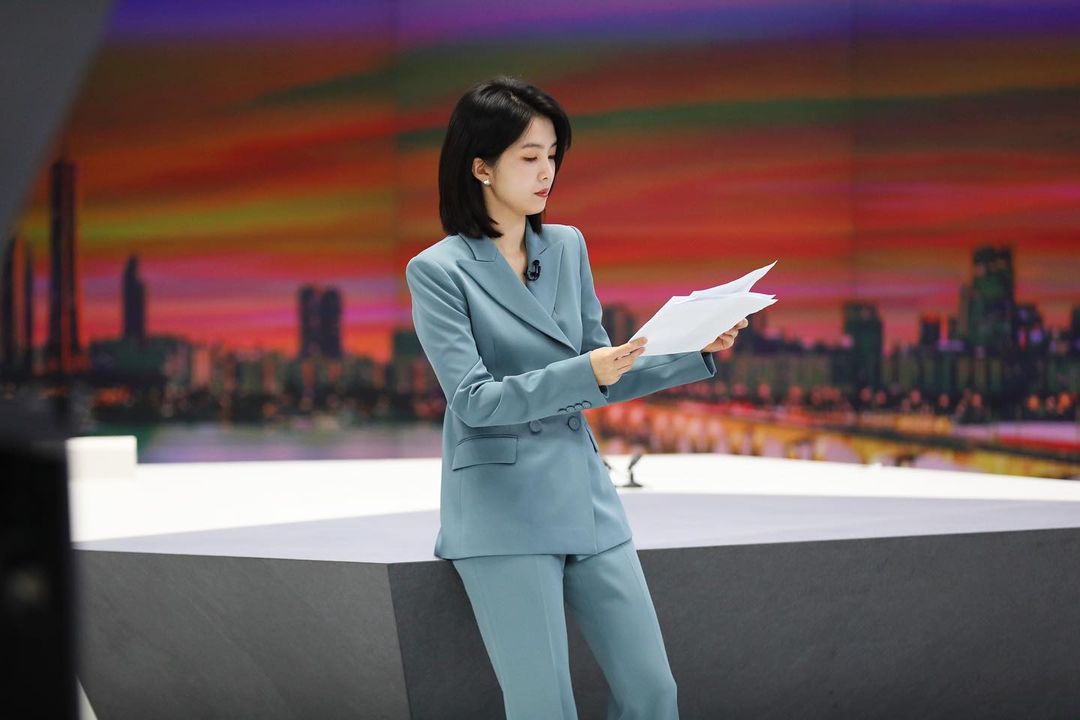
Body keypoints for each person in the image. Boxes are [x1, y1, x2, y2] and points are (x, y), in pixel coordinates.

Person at [405, 75, 745, 720]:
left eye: (553, 156)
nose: (547, 173)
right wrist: (586, 372)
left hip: (586, 497)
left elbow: (604, 368)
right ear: (481, 166)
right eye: (529, 157)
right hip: (502, 511)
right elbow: (474, 401)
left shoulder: (566, 246)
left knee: (653, 693)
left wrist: (694, 349)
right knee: (544, 708)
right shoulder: (437, 270)